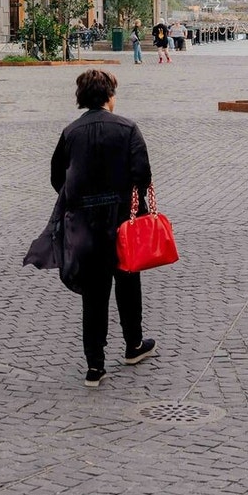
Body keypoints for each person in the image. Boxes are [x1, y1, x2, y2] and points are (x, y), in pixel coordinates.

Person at [49, 68, 157, 387]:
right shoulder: (127, 128)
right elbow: (143, 174)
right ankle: (133, 345)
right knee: (128, 282)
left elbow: (58, 177)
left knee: (94, 294)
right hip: (123, 220)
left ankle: (95, 366)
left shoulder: (71, 132)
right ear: (109, 95)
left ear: (82, 97)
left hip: (87, 224)